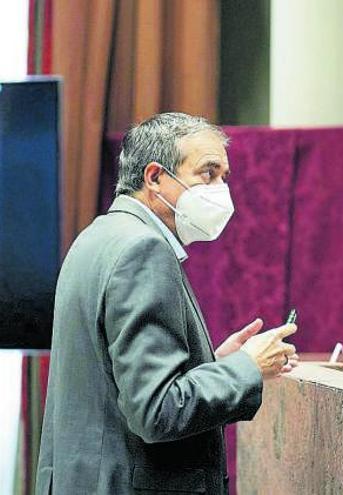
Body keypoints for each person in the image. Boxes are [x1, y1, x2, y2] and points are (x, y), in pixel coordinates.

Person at [37, 113, 299, 494]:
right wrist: (246, 368)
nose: (220, 190)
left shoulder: (98, 236)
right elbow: (157, 411)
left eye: (224, 177)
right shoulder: (143, 250)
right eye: (207, 174)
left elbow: (118, 380)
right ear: (155, 177)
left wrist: (215, 364)